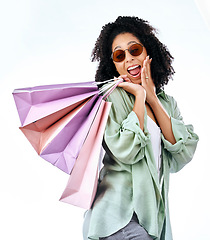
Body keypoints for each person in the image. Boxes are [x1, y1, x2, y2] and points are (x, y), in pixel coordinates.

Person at [83, 16, 199, 240]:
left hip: (151, 220)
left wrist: (152, 98)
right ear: (113, 64)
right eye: (119, 55)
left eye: (134, 49)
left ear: (148, 51)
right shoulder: (111, 98)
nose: (129, 59)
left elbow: (183, 153)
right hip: (115, 218)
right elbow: (126, 151)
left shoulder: (167, 103)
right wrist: (138, 96)